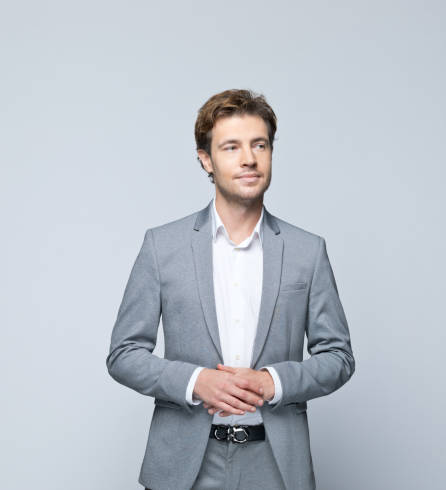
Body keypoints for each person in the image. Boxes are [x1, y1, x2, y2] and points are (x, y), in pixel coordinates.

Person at [106, 88, 355, 489]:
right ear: (205, 158)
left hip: (276, 466)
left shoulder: (308, 251)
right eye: (231, 147)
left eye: (260, 145)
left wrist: (274, 382)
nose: (248, 159)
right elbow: (123, 354)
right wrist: (195, 382)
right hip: (184, 466)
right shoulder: (161, 246)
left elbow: (338, 357)